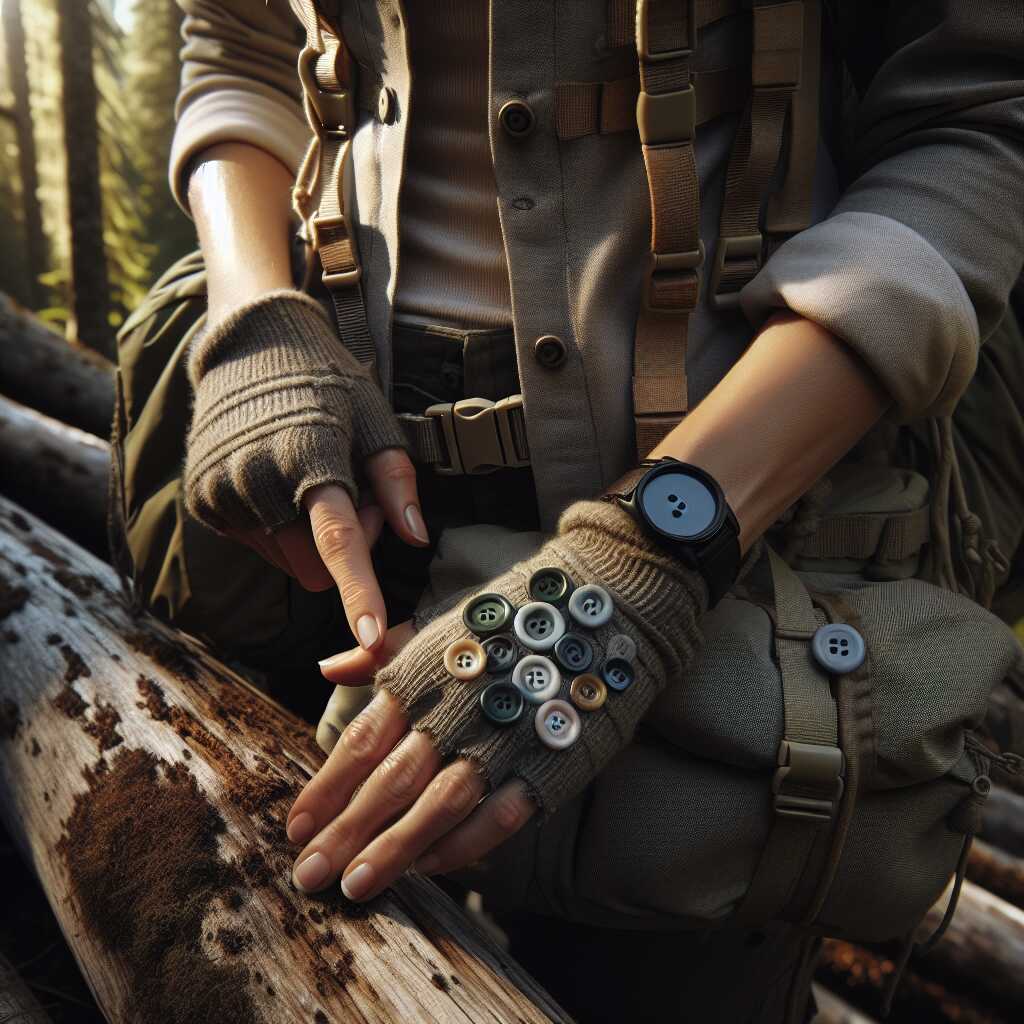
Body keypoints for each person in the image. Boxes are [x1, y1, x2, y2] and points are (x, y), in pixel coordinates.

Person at [111, 1, 1024, 1020]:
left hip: (742, 523)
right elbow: (237, 45)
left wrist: (662, 546)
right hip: (327, 496)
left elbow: (983, 117)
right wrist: (255, 321)